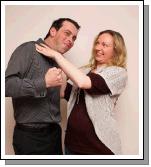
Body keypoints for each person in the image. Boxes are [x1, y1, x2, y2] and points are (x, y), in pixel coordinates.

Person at [35, 29, 128, 155]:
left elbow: (83, 83)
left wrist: (57, 56)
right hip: (72, 144)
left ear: (116, 50)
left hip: (98, 148)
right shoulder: (85, 71)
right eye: (97, 43)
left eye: (104, 45)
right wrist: (58, 63)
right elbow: (63, 92)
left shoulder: (118, 73)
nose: (98, 47)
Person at [5, 18, 80, 155]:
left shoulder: (60, 60)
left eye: (74, 38)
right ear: (53, 31)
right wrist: (43, 82)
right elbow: (6, 86)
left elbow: (61, 94)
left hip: (54, 134)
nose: (71, 40)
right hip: (30, 137)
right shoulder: (28, 49)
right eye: (67, 33)